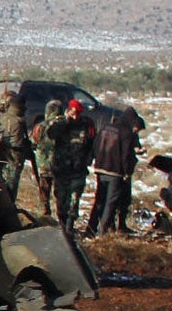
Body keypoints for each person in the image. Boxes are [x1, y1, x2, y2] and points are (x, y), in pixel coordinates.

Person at [86, 101, 145, 237]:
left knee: (99, 200)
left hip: (100, 169)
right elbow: (125, 155)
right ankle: (103, 232)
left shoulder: (106, 128)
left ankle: (90, 229)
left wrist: (95, 161)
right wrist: (127, 172)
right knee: (110, 203)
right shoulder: (126, 133)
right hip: (115, 172)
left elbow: (95, 146)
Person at [38, 98, 93, 233]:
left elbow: (91, 143)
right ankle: (62, 225)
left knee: (74, 201)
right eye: (73, 113)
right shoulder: (61, 124)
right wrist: (65, 121)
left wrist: (89, 158)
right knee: (62, 201)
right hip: (62, 169)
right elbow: (50, 134)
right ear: (68, 111)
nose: (75, 117)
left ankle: (69, 226)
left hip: (78, 170)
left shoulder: (86, 124)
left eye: (78, 114)